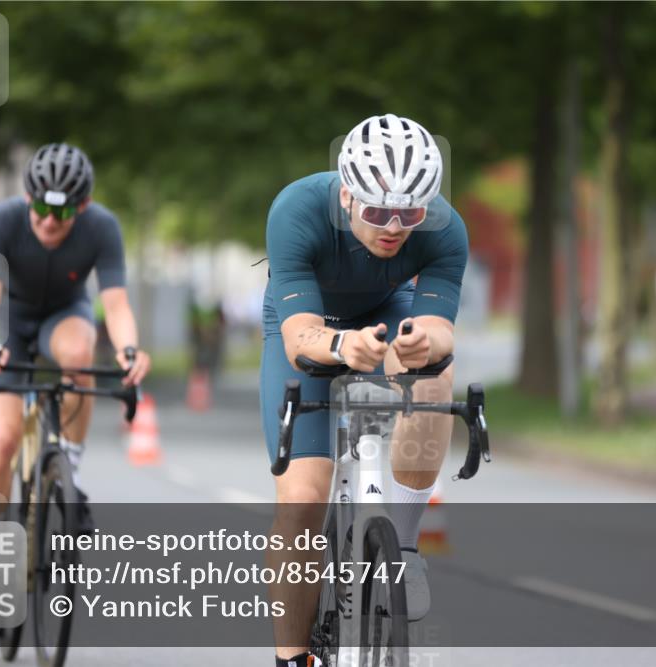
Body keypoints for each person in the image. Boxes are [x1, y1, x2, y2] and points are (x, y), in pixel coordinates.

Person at [261, 114, 468, 667]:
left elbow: (442, 326)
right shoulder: (297, 210)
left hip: (387, 310)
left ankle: (400, 543)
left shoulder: (446, 228)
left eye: (411, 213)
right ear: (348, 196)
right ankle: (292, 657)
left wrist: (425, 342)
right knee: (303, 499)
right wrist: (338, 347)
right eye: (379, 212)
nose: (395, 227)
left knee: (435, 375)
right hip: (311, 319)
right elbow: (298, 336)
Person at [0, 142, 151, 511]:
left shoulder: (102, 226)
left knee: (80, 353)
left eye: (63, 211)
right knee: (3, 440)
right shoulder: (0, 220)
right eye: (40, 208)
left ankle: (70, 465)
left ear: (82, 207)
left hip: (64, 313)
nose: (50, 220)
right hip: (9, 318)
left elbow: (116, 306)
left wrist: (129, 351)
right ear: (27, 198)